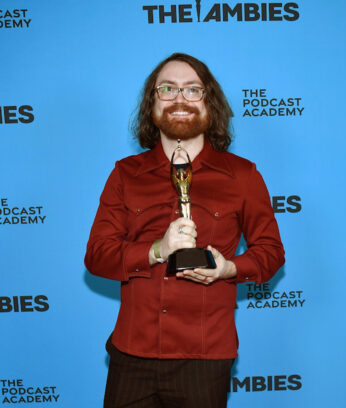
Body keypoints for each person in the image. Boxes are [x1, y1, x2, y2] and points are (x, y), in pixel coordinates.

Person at [85, 52, 285, 408]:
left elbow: (270, 252)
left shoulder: (243, 176)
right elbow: (97, 256)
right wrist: (155, 250)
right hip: (132, 354)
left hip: (205, 358)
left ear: (211, 103)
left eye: (193, 90)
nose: (180, 99)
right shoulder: (124, 174)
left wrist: (229, 268)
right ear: (152, 103)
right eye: (167, 89)